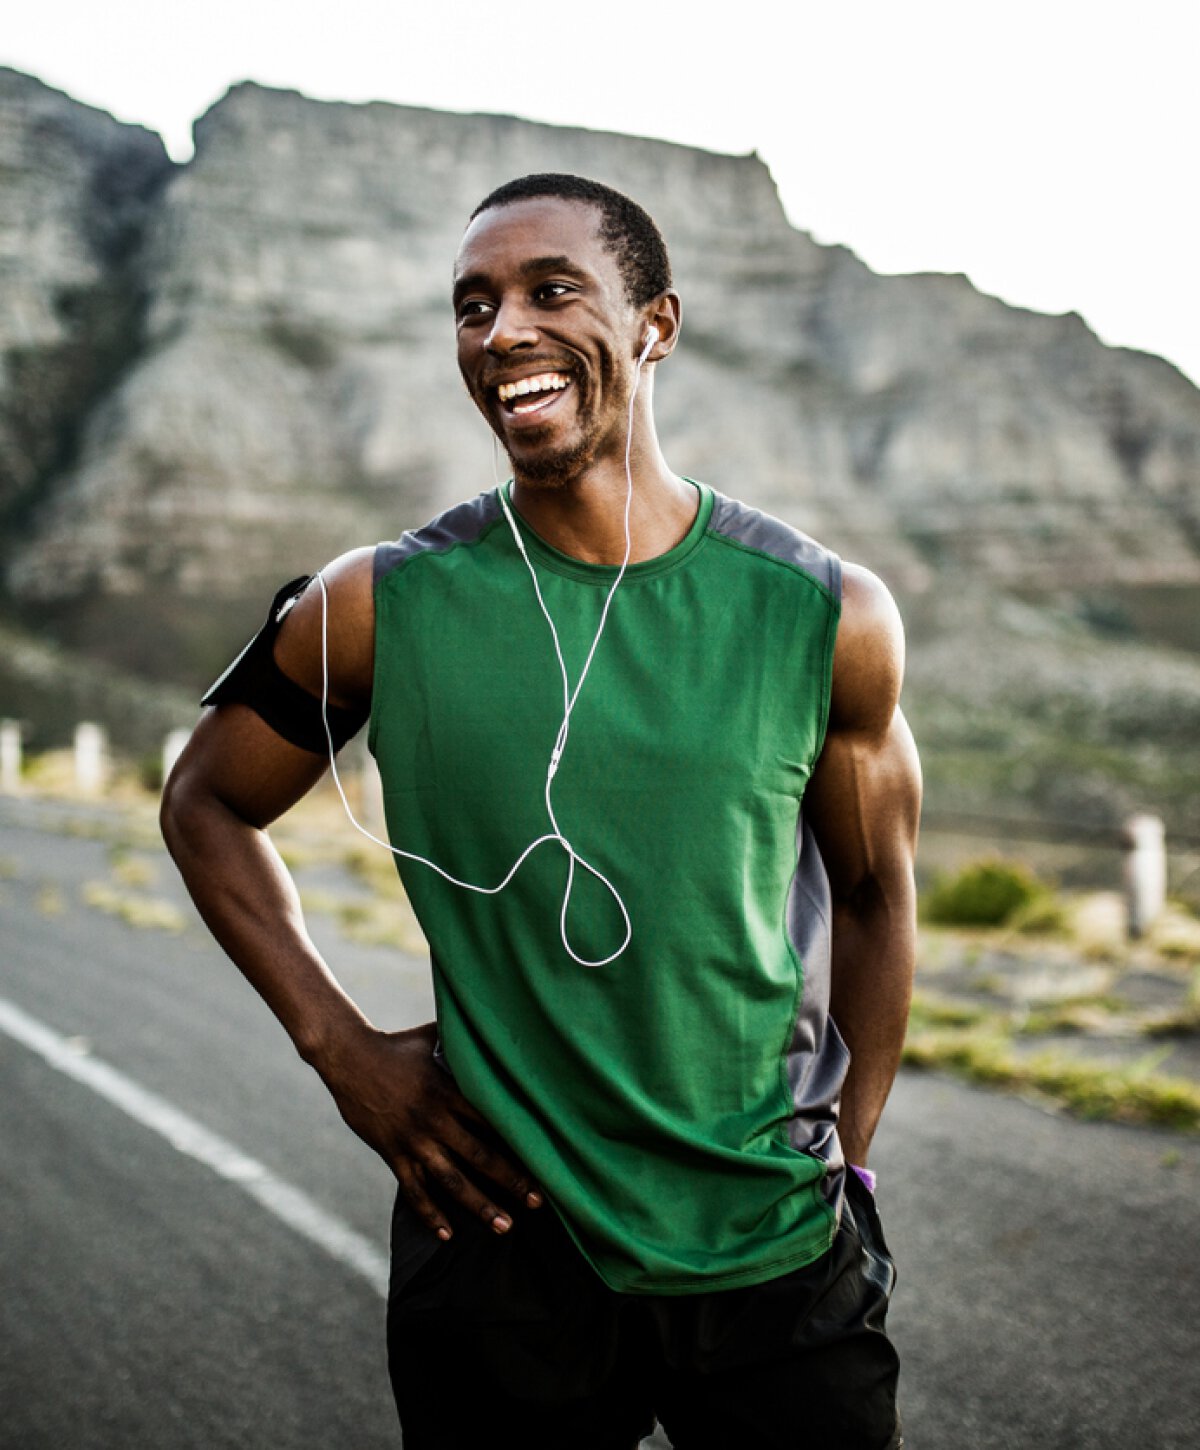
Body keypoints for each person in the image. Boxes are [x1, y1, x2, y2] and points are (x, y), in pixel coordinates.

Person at [161, 172, 921, 1449]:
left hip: (777, 1255)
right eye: (472, 306)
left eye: (549, 291)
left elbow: (876, 892)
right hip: (501, 1248)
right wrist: (340, 1050)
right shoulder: (377, 604)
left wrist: (845, 1152)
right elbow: (204, 800)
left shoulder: (824, 612)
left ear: (655, 325)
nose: (500, 331)